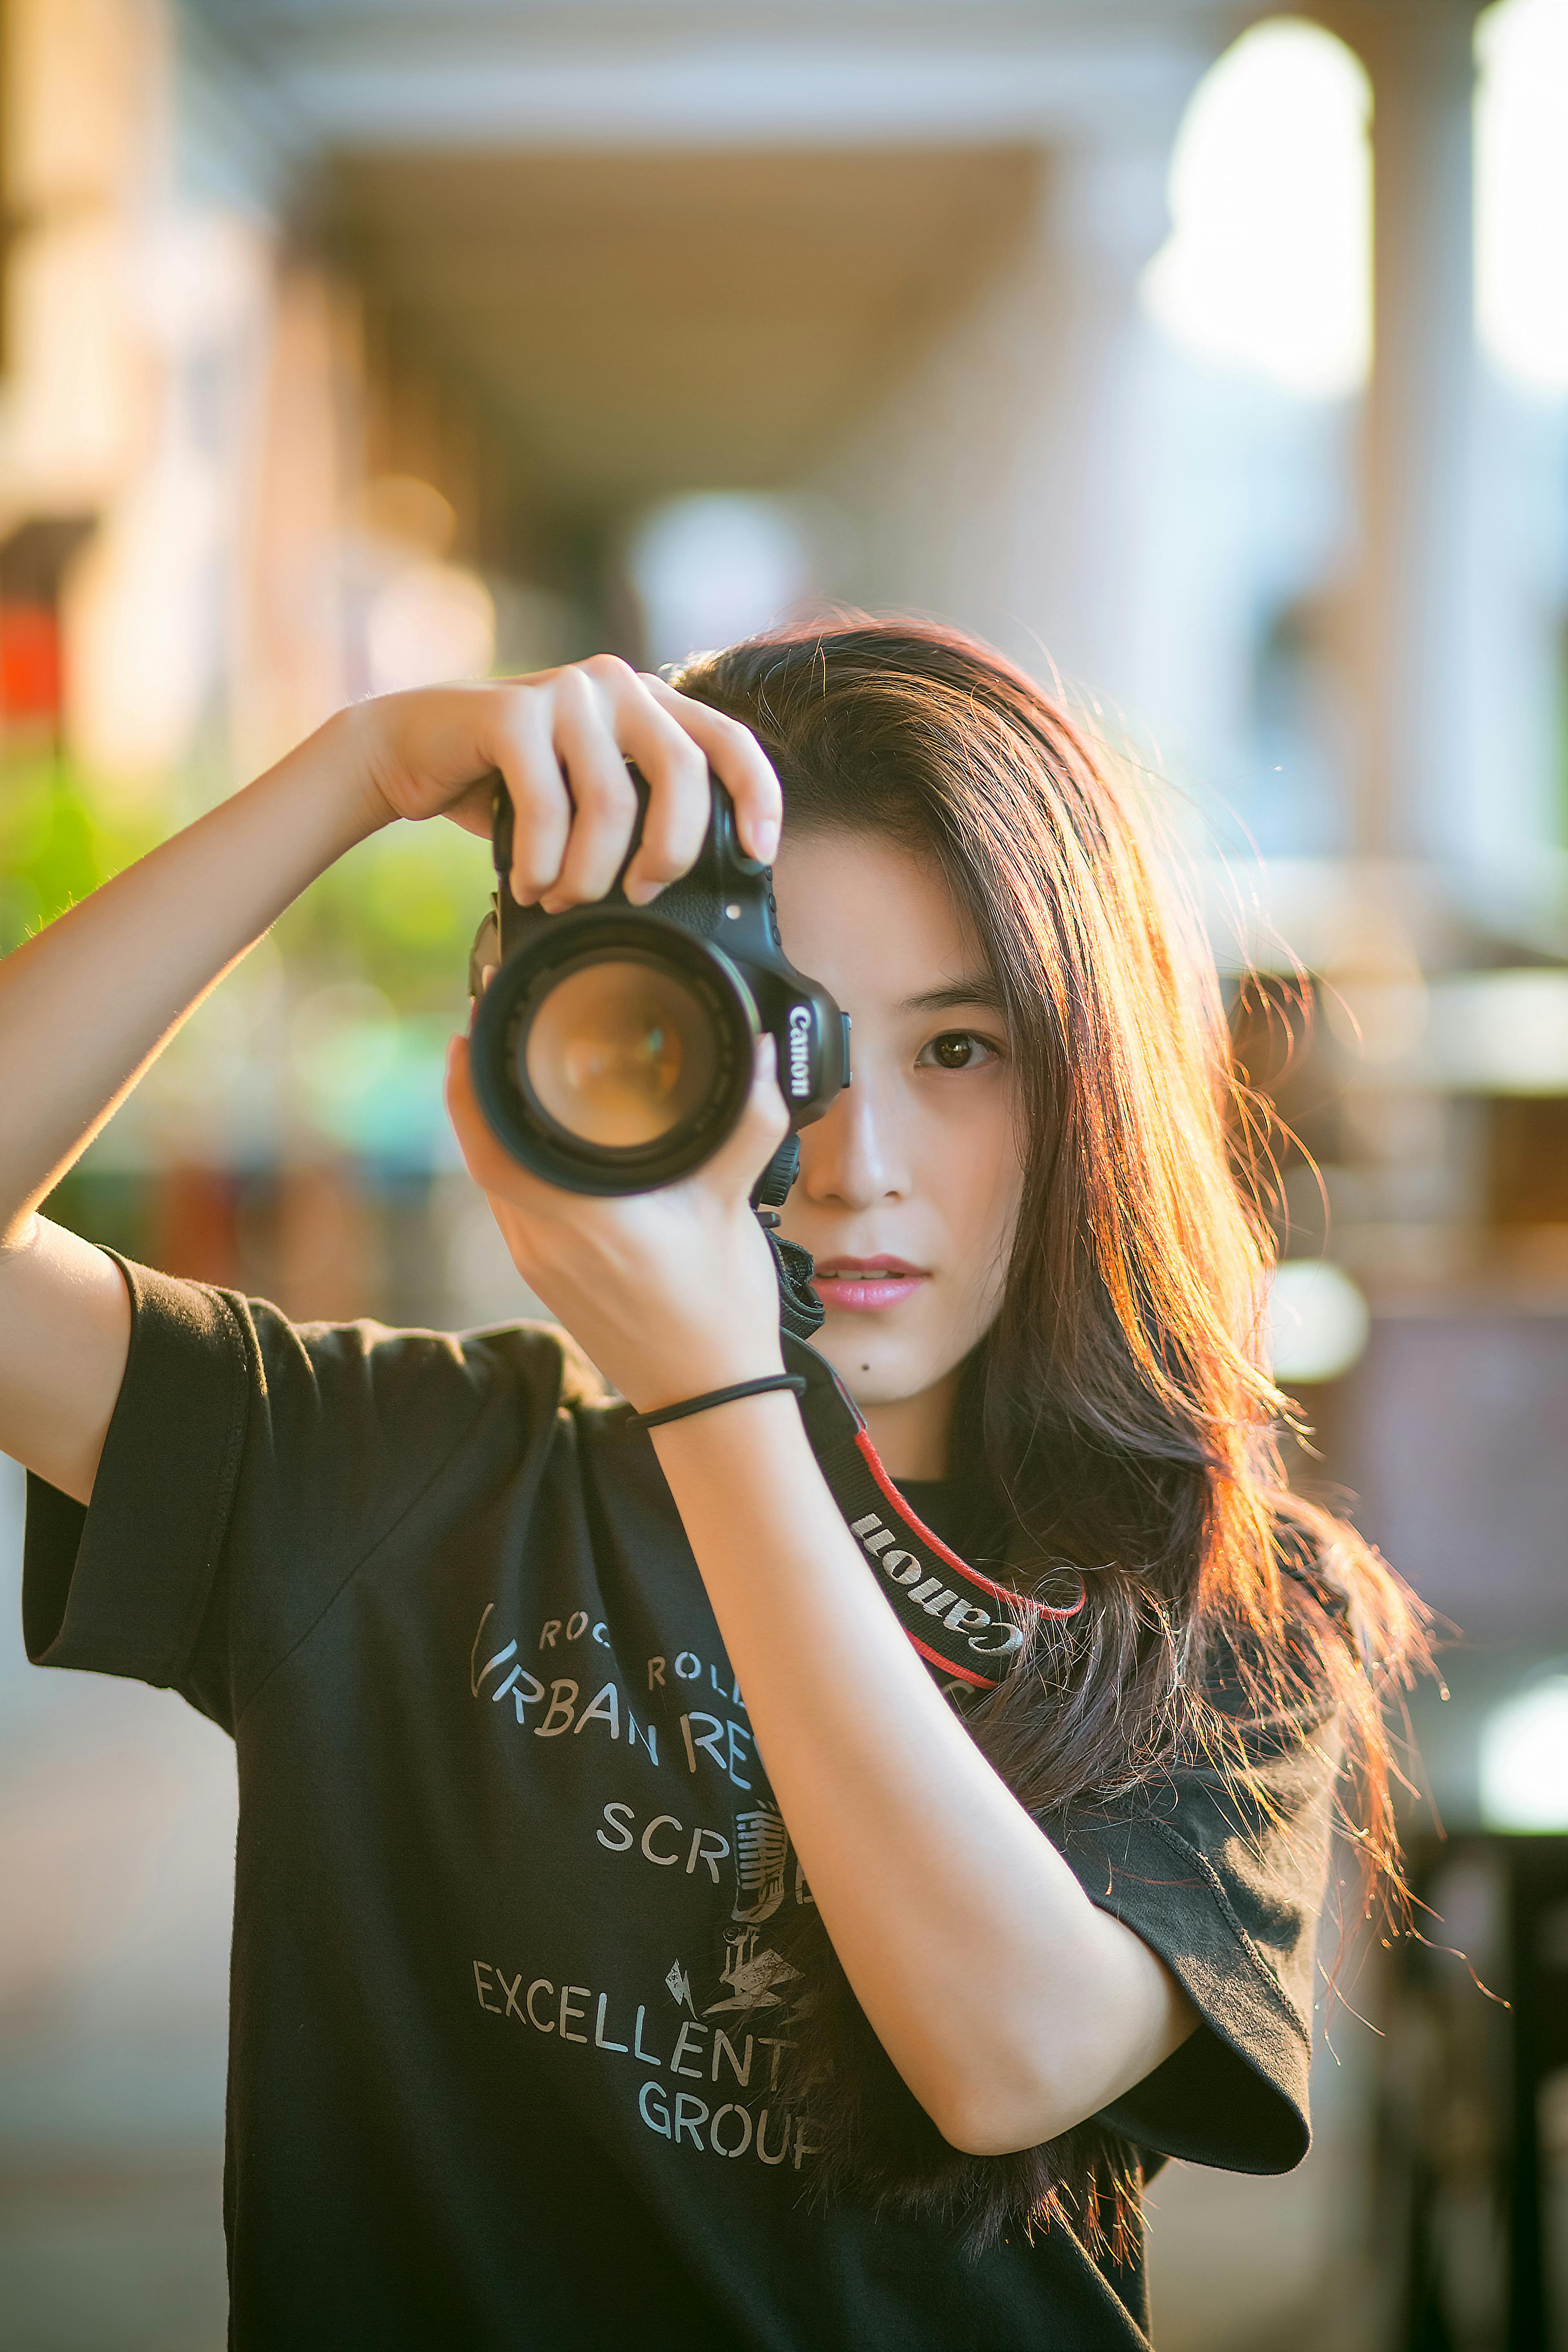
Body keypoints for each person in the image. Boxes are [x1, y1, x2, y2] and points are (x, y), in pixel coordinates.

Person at [0, 619, 1424, 2350]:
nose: (857, 1164)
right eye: (786, 1041)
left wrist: (717, 1387)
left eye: (960, 1053)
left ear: (1090, 1092)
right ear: (617, 1043)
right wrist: (353, 775)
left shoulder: (1213, 1607)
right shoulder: (404, 1482)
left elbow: (1013, 2057)